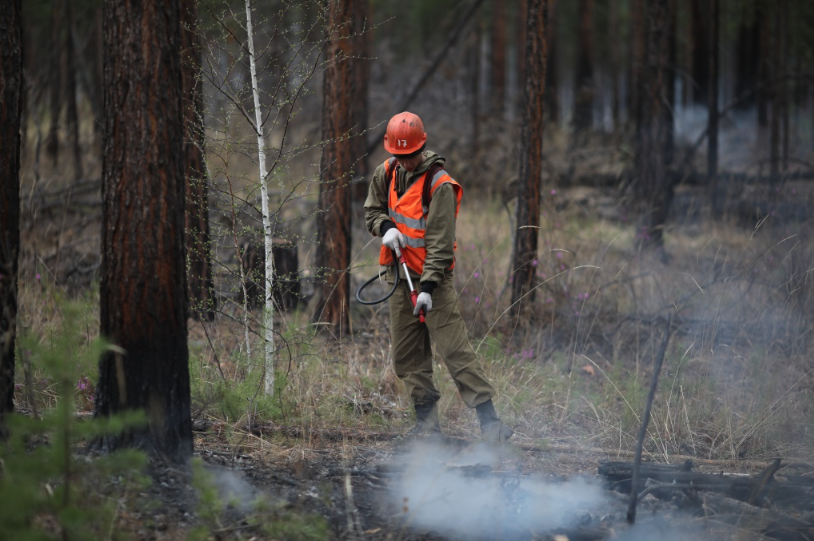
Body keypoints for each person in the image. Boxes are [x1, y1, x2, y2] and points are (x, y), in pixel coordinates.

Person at [364, 111, 513, 442]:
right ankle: (428, 430)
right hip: (397, 276)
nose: (404, 162)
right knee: (408, 356)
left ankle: (491, 425)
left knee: (454, 350)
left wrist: (428, 288)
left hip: (433, 281)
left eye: (410, 155)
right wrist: (384, 226)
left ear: (422, 146)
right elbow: (372, 211)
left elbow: (441, 246)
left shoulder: (439, 185)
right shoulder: (385, 173)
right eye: (398, 156)